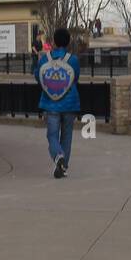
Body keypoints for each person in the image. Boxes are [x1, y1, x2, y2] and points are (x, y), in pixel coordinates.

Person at [33, 28, 80, 178]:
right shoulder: (73, 60)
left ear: (53, 41)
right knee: (67, 136)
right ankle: (63, 166)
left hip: (50, 103)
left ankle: (58, 155)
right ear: (68, 42)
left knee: (52, 135)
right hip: (70, 103)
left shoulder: (45, 59)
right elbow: (75, 78)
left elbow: (37, 76)